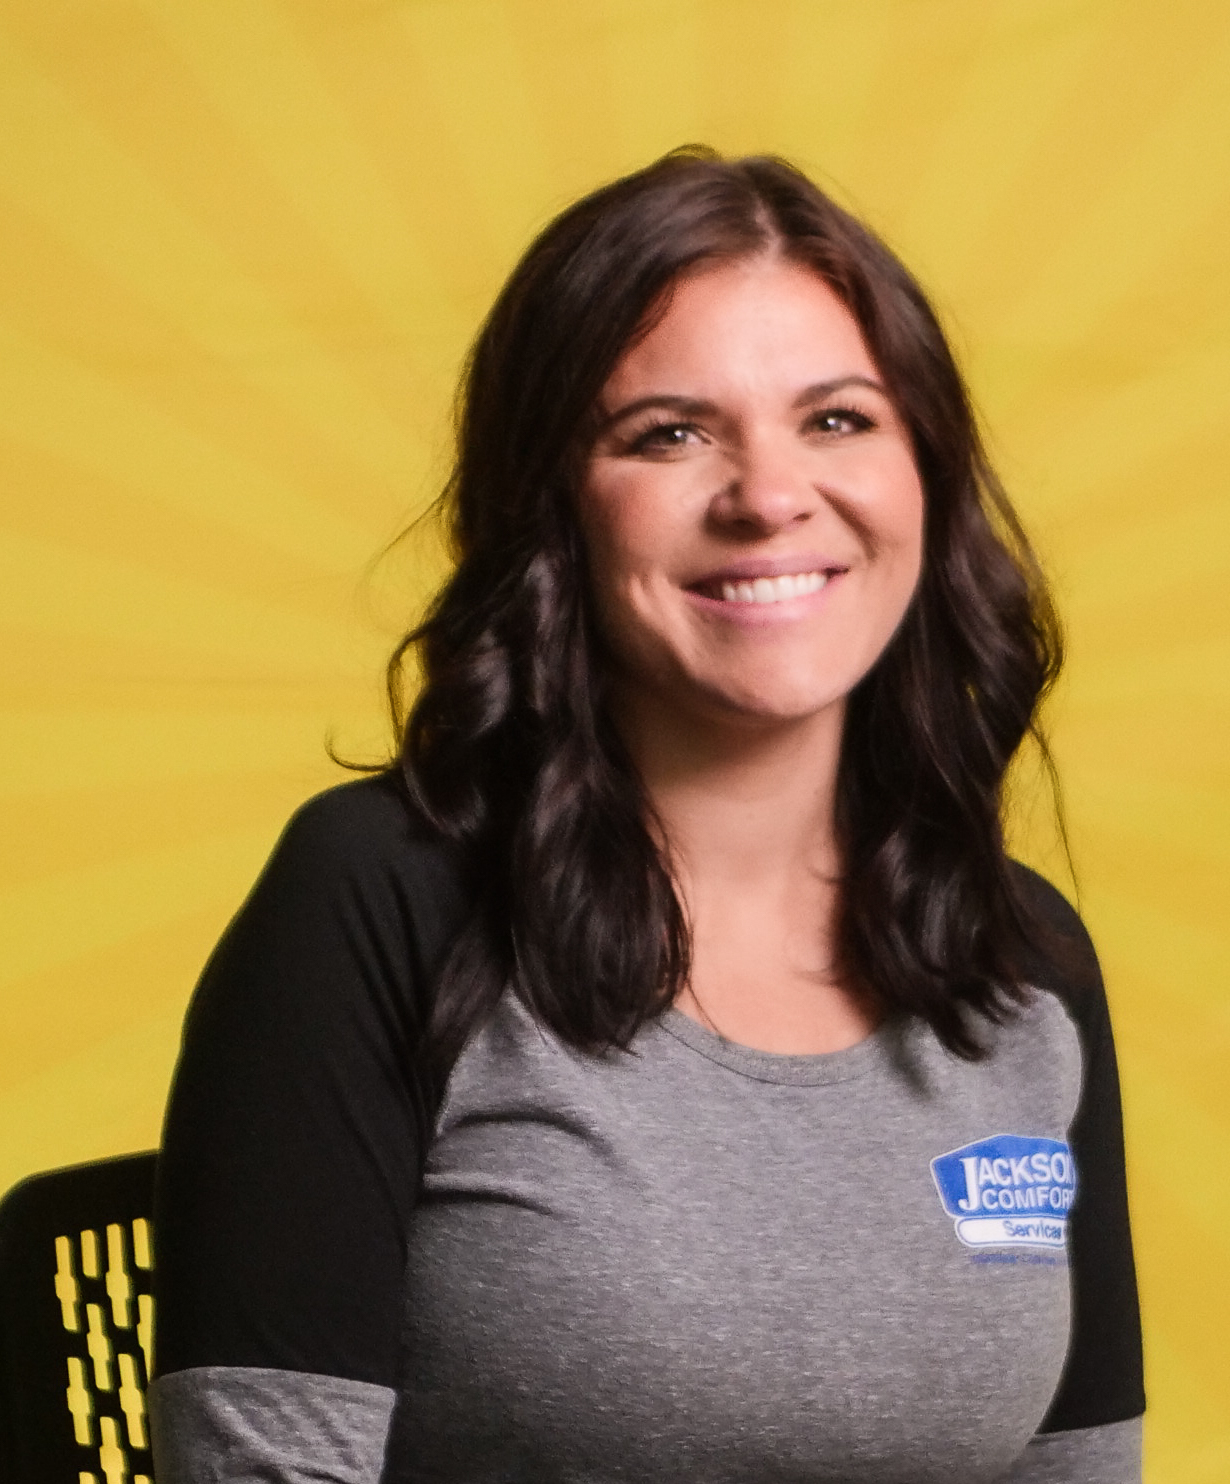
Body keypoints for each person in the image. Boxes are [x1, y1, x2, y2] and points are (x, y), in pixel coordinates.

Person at [148, 147, 1143, 1483]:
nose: (769, 495)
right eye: (670, 433)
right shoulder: (380, 898)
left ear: (929, 475)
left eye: (839, 418)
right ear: (552, 503)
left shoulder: (1022, 962)